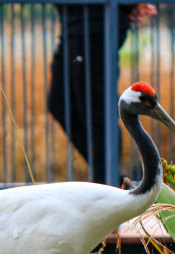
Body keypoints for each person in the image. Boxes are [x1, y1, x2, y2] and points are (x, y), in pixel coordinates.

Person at [47, 3, 157, 183]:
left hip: (95, 28)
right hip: (73, 25)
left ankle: (107, 182)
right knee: (59, 104)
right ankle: (111, 176)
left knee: (96, 112)